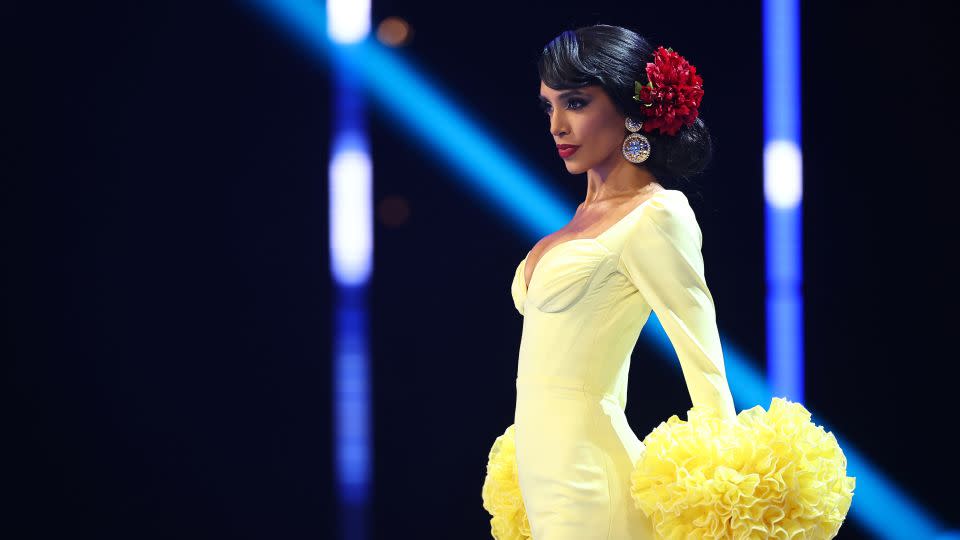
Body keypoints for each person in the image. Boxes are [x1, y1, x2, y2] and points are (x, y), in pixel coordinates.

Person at [481, 25, 854, 540]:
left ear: (631, 109)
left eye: (576, 102)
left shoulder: (657, 214)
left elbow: (702, 360)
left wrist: (725, 498)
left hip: (591, 480)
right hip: (544, 476)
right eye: (549, 107)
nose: (557, 126)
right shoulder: (581, 218)